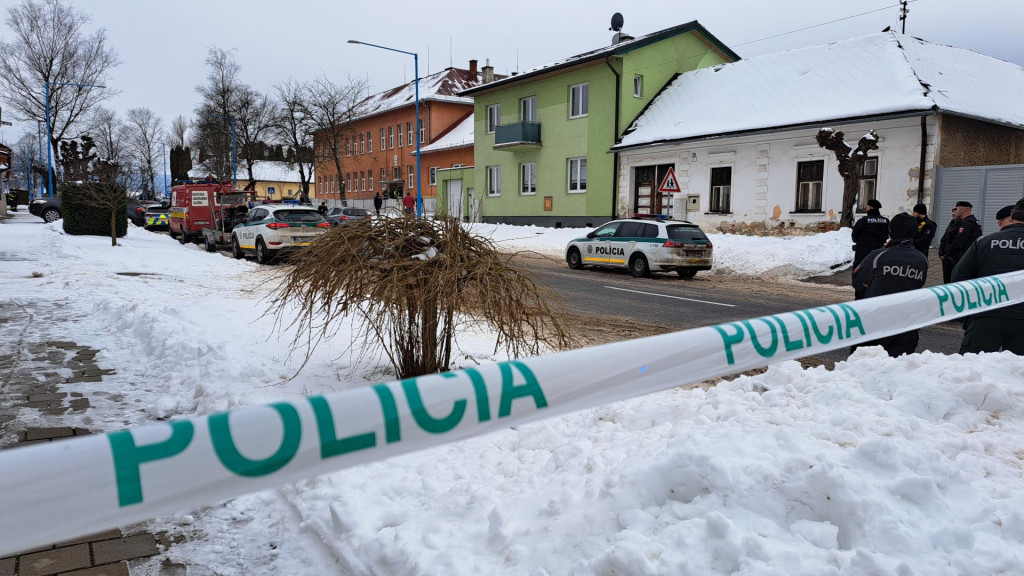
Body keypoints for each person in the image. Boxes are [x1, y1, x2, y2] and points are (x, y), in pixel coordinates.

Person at [951, 198, 1024, 354]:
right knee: (1019, 375)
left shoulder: (984, 242)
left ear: (1013, 216)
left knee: (971, 372)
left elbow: (958, 278)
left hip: (986, 314)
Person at [851, 212, 929, 357]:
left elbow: (857, 282)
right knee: (897, 372)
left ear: (890, 231)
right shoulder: (922, 259)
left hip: (874, 326)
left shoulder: (878, 256)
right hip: (907, 327)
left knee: (862, 370)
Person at [850, 199, 889, 299]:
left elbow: (854, 237)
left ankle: (860, 299)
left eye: (867, 206)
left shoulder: (863, 221)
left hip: (863, 253)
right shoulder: (885, 221)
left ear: (870, 208)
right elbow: (886, 236)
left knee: (860, 277)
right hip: (879, 254)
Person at [938, 200, 982, 283]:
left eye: (957, 209)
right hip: (964, 257)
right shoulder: (972, 222)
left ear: (963, 210)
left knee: (952, 281)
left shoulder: (966, 223)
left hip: (957, 258)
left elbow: (959, 242)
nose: (956, 212)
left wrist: (947, 255)